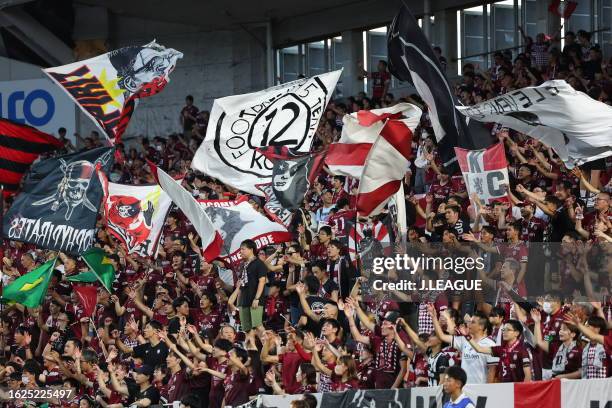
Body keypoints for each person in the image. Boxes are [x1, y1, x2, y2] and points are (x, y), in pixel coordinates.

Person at [236, 239, 267, 335]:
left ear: (251, 249)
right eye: (240, 249)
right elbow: (241, 285)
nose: (241, 251)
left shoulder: (259, 263)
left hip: (255, 299)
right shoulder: (242, 265)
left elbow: (262, 281)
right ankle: (251, 348)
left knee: (257, 325)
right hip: (243, 299)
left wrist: (257, 298)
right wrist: (238, 301)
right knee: (247, 328)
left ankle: (271, 346)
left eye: (243, 249)